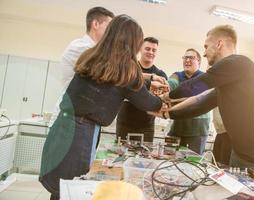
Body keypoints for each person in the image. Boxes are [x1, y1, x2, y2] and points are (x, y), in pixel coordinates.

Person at [39, 15, 163, 200]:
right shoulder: (127, 68)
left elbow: (113, 83)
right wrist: (163, 103)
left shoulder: (93, 55)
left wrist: (147, 80)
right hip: (81, 132)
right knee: (72, 187)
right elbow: (146, 102)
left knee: (60, 186)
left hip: (63, 125)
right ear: (133, 42)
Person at [154, 25, 254, 181]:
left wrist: (164, 98)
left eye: (206, 46)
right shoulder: (228, 81)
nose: (204, 52)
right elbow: (200, 103)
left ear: (219, 44)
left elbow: (195, 86)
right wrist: (168, 113)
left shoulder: (238, 63)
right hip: (240, 154)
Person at [116, 37, 168, 142]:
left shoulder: (161, 75)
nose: (151, 52)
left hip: (147, 126)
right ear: (140, 49)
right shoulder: (130, 67)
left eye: (154, 50)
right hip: (124, 123)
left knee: (145, 157)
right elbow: (127, 77)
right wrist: (150, 84)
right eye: (147, 49)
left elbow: (161, 99)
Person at [167, 48, 210, 154]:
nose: (187, 60)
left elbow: (197, 97)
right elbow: (169, 86)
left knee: (192, 165)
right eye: (185, 57)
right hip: (177, 129)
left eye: (191, 57)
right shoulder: (176, 75)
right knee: (168, 162)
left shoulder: (205, 77)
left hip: (197, 131)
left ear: (199, 61)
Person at [60, 7, 114, 87]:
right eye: (109, 27)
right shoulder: (79, 47)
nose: (111, 32)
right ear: (95, 24)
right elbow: (108, 71)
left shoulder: (95, 49)